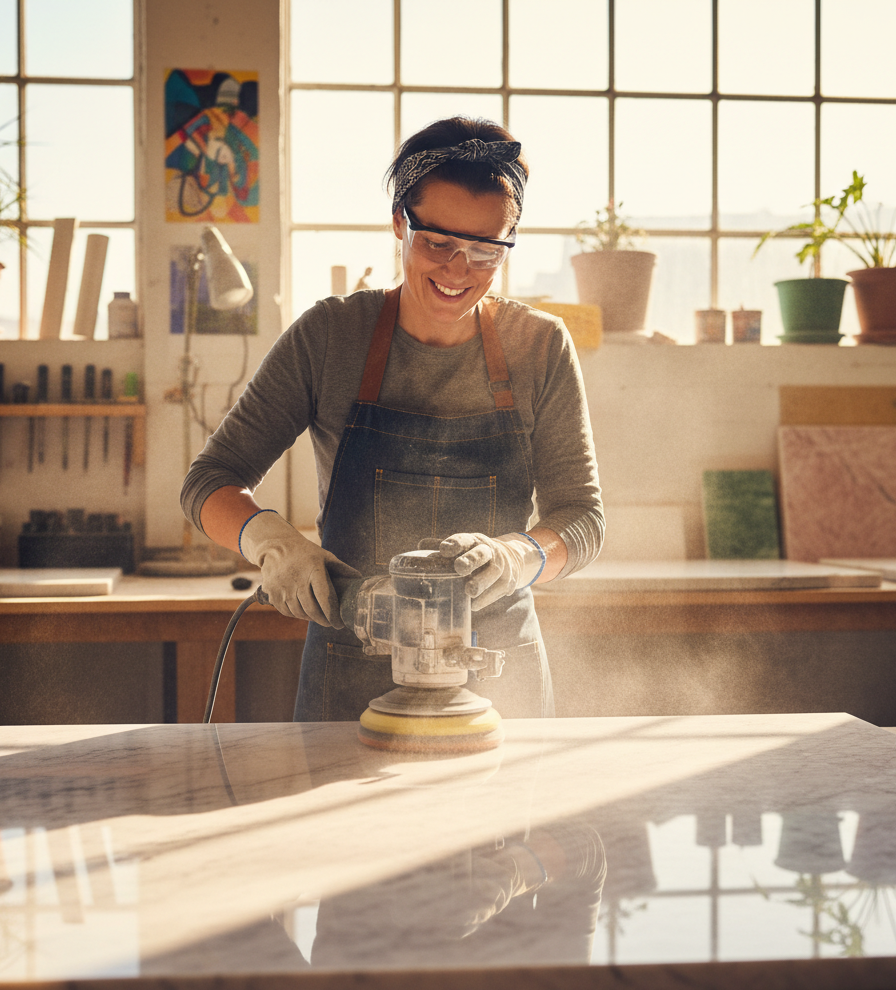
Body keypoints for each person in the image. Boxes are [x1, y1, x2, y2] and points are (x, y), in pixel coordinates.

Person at [181, 116, 603, 721]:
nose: (458, 270)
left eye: (485, 250)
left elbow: (582, 518)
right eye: (437, 243)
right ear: (400, 222)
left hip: (498, 671)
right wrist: (272, 542)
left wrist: (519, 555)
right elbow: (209, 481)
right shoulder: (331, 336)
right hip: (349, 670)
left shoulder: (540, 345)